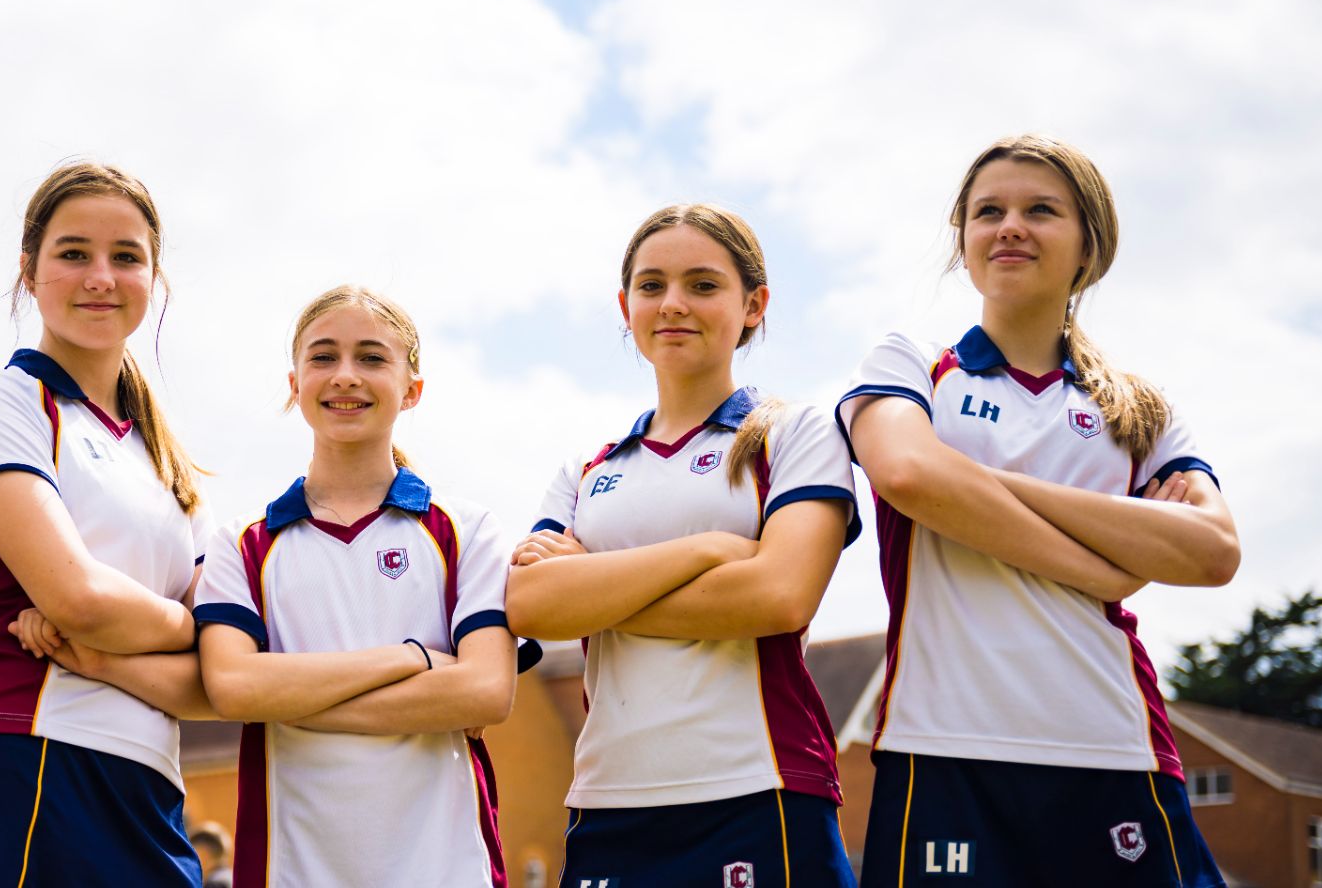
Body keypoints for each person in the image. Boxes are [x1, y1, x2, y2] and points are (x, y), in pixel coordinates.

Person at [838, 135, 1239, 887]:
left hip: (1114, 746)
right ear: (963, 242)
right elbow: (910, 475)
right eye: (989, 211)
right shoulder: (908, 362)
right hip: (944, 748)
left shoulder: (1140, 409)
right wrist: (1109, 565)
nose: (1010, 226)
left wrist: (979, 484)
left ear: (1090, 246)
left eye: (1041, 210)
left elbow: (1213, 551)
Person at [506, 203, 861, 887]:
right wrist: (710, 553)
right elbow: (529, 607)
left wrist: (594, 591)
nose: (672, 304)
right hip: (609, 804)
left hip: (760, 788)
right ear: (625, 304)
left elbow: (778, 596)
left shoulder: (794, 434)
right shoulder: (588, 468)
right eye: (651, 285)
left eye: (702, 285)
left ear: (754, 304)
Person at [0, 162, 212, 887]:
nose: (101, 275)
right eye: (73, 253)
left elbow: (217, 667)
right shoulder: (2, 405)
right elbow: (77, 600)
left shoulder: (169, 461)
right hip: (18, 755)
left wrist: (133, 645)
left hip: (148, 781)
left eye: (126, 256)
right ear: (29, 272)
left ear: (153, 281)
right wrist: (186, 625)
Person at [194, 286, 522, 888]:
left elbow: (484, 693)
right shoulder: (241, 544)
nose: (345, 376)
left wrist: (291, 697)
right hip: (291, 872)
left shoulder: (466, 529)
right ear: (295, 384)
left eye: (371, 358)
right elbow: (235, 690)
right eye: (323, 357)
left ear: (412, 389)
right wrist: (412, 660)